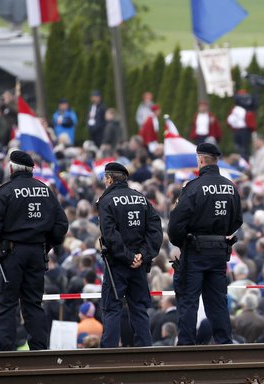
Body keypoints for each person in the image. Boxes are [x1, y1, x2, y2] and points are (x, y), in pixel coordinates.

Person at [0, 150, 68, 351]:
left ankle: (4, 353)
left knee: (5, 303)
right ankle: (38, 350)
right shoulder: (46, 191)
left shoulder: (6, 191)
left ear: (11, 168)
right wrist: (48, 244)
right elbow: (61, 224)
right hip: (37, 254)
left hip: (11, 253)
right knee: (33, 303)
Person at [168, 142, 243, 345]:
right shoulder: (230, 187)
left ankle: (186, 348)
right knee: (217, 301)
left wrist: (182, 242)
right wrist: (220, 235)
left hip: (195, 251)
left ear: (201, 160)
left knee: (188, 301)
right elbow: (237, 220)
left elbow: (175, 224)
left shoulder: (193, 188)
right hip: (219, 251)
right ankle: (224, 345)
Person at [96, 162, 163, 347]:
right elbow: (156, 230)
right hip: (139, 264)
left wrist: (128, 256)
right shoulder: (141, 199)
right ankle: (146, 353)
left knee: (112, 309)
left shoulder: (106, 201)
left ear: (109, 178)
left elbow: (110, 235)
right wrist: (142, 255)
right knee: (140, 309)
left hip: (117, 264)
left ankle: (108, 355)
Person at [226, 90, 257, 160]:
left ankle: (245, 161)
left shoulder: (247, 110)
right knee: (238, 147)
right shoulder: (235, 109)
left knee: (244, 148)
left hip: (244, 131)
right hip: (237, 130)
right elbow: (230, 120)